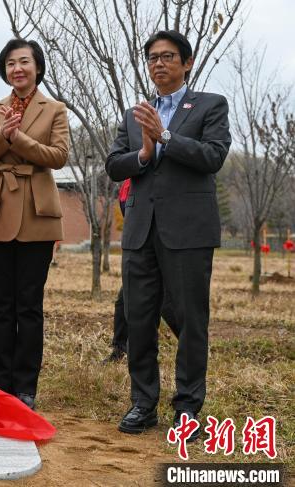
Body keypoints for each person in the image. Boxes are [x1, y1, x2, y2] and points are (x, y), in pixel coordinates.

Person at [106, 30, 230, 441]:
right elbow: (114, 164)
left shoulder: (210, 105)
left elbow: (212, 156)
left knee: (191, 320)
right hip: (141, 230)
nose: (159, 63)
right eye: (153, 57)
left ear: (187, 62)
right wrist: (142, 154)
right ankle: (143, 403)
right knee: (139, 318)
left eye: (169, 56)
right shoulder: (134, 113)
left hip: (189, 231)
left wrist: (166, 137)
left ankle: (189, 408)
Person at [0, 38, 69, 411]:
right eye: (10, 63)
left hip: (37, 213)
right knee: (1, 304)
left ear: (37, 68)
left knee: (29, 304)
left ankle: (26, 386)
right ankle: (1, 384)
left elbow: (58, 156)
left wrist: (19, 138)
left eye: (24, 62)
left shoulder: (55, 109)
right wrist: (1, 135)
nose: (17, 69)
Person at [103, 179, 180, 364]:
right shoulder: (127, 185)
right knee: (123, 303)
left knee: (168, 305)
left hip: (162, 247)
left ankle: (191, 344)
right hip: (140, 251)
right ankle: (119, 350)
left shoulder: (153, 178)